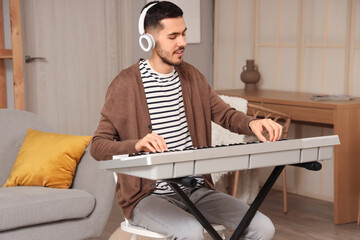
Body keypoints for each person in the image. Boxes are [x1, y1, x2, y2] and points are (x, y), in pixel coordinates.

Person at [90, 1, 282, 239]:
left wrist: (252, 123)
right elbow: (98, 146)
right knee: (190, 231)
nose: (182, 42)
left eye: (184, 34)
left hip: (196, 191)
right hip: (148, 198)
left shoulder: (192, 77)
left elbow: (225, 114)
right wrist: (136, 145)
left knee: (263, 227)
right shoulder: (125, 85)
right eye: (173, 36)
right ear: (148, 40)